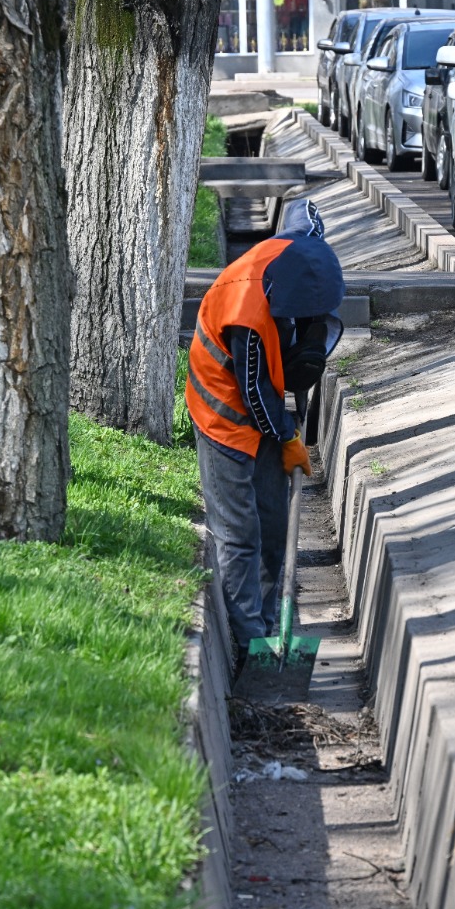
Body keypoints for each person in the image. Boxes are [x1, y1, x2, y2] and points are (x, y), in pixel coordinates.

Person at [187, 202, 344, 673]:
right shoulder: (246, 313)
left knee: (274, 526)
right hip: (223, 411)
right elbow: (254, 393)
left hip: (263, 402)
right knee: (241, 533)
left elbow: (307, 219)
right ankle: (249, 647)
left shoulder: (299, 257)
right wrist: (288, 434)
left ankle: (274, 624)